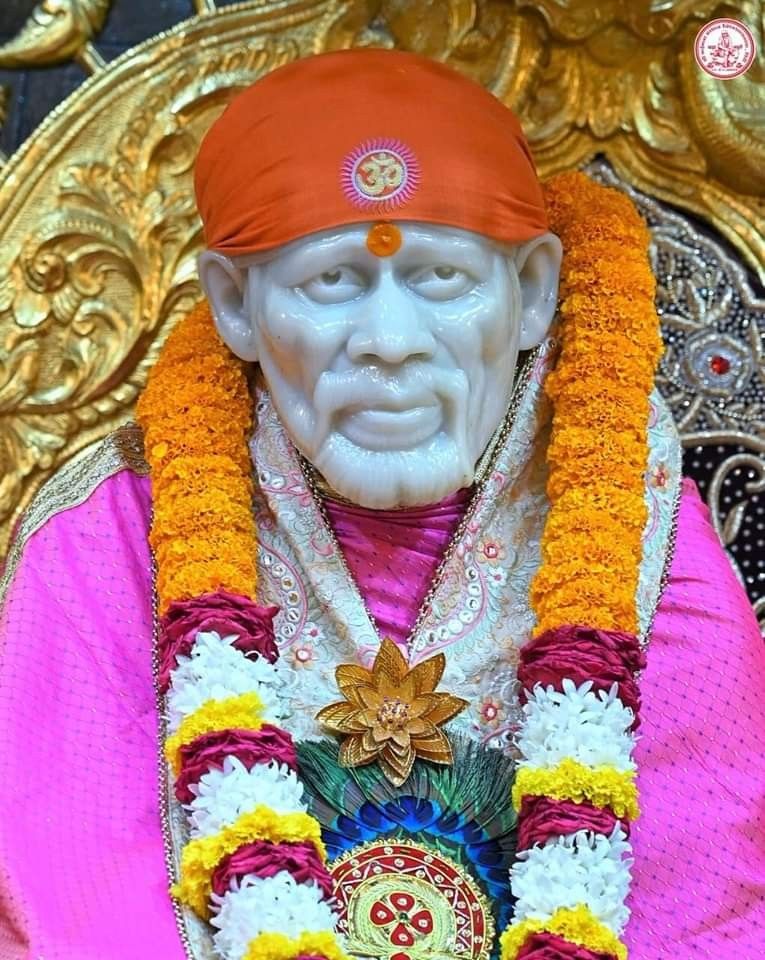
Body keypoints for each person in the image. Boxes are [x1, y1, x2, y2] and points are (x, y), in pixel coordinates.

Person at [0, 48, 763, 960]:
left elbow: (710, 910)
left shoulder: (642, 528)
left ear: (528, 293)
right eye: (332, 282)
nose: (391, 343)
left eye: (441, 278)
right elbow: (79, 902)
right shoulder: (108, 536)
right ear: (236, 306)